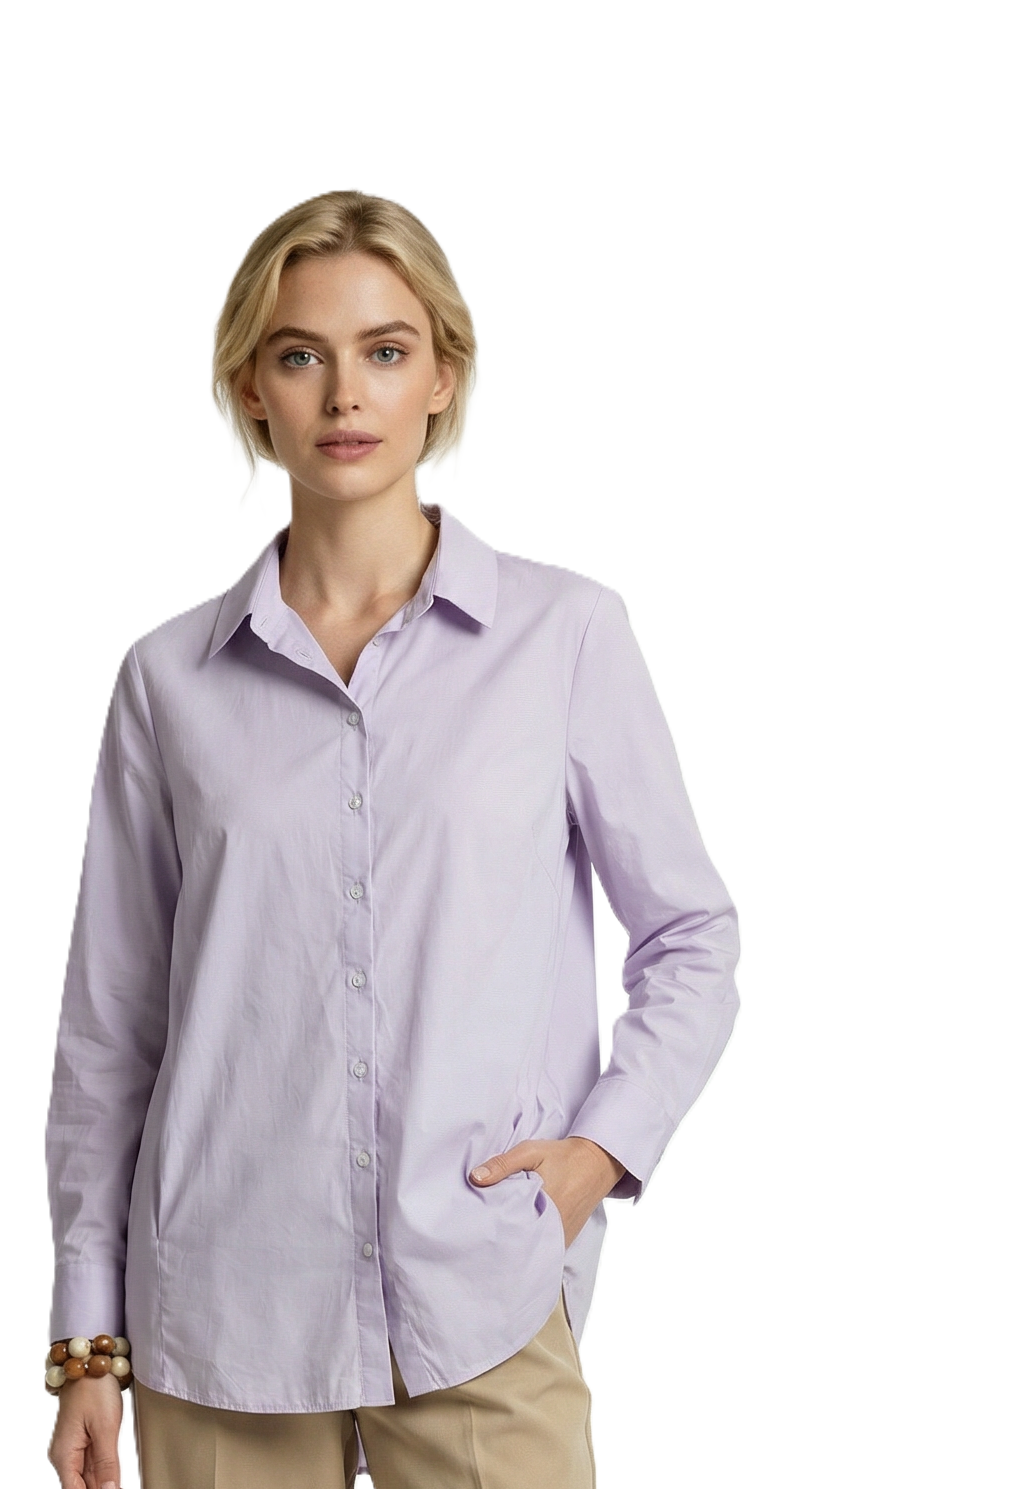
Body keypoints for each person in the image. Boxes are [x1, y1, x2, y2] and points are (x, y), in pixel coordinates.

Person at [44, 189, 741, 1489]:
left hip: (479, 1299)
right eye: (299, 354)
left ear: (442, 377)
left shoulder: (564, 638)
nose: (344, 394)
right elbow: (109, 1031)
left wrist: (596, 1156)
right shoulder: (168, 681)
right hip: (219, 1319)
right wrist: (87, 1340)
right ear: (250, 389)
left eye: (384, 349)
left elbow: (691, 935)